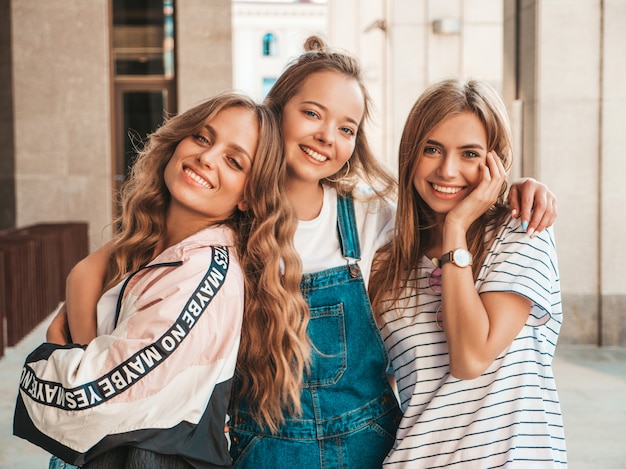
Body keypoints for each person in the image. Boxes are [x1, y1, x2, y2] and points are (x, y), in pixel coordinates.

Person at [46, 37, 558, 468]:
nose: (325, 136)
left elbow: (444, 197)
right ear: (277, 112)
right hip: (258, 449)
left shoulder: (370, 215)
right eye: (311, 113)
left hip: (367, 447)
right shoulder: (229, 213)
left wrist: (521, 187)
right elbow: (92, 269)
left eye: (346, 128)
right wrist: (92, 367)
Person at [13, 91, 309, 468]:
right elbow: (84, 276)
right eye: (202, 137)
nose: (206, 157)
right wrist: (83, 356)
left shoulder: (204, 273)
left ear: (249, 197)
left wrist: (56, 357)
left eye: (234, 161)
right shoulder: (154, 249)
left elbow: (89, 397)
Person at [370, 78, 566, 467]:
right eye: (432, 149)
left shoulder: (523, 232)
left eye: (470, 154)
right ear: (410, 153)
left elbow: (471, 358)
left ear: (495, 161)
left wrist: (456, 228)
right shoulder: (386, 262)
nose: (447, 170)